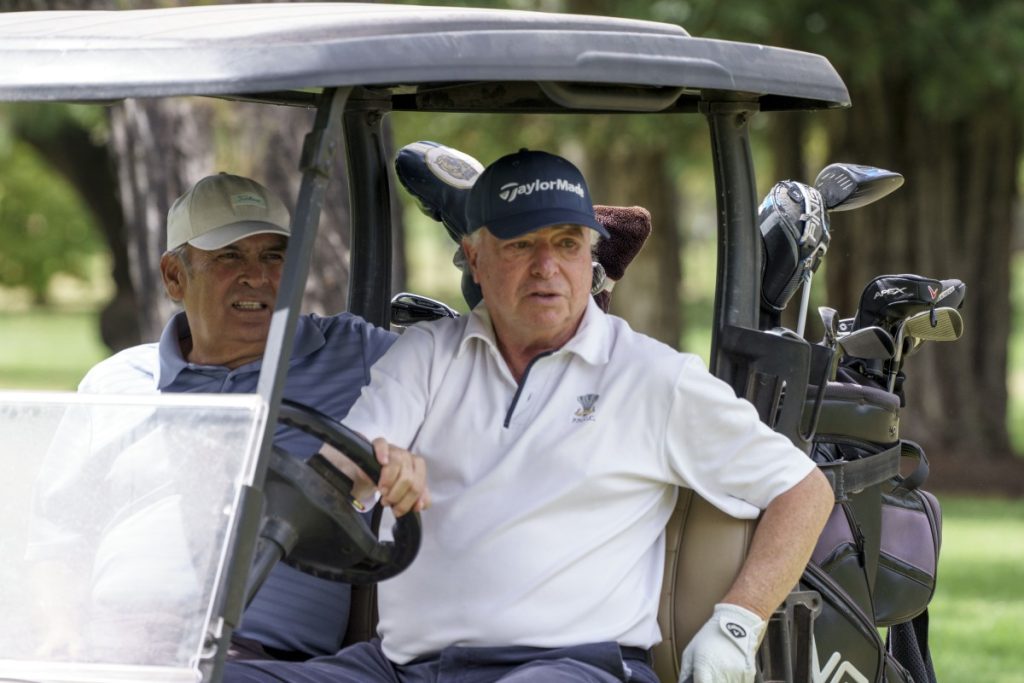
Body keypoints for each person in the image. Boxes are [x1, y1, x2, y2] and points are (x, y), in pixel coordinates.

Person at [225, 150, 834, 683]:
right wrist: (376, 468)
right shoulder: (427, 354)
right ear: (474, 258)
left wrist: (737, 622)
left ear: (590, 256)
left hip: (573, 666)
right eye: (520, 244)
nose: (547, 266)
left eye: (567, 244)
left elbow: (803, 490)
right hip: (402, 667)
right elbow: (337, 476)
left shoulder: (652, 376)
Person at [28, 173, 426, 662]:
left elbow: (461, 367)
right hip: (110, 645)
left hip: (254, 656)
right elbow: (57, 537)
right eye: (229, 256)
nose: (256, 276)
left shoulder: (356, 354)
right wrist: (60, 632)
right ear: (174, 277)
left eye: (274, 256)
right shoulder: (115, 382)